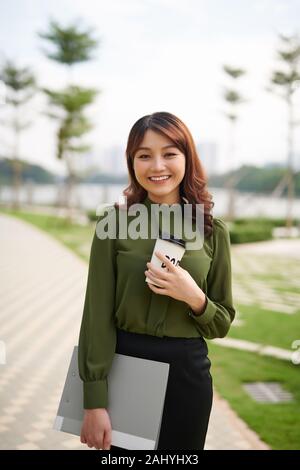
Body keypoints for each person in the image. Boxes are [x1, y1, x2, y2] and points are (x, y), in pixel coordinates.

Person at [78, 111, 236, 451]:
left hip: (187, 374)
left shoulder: (212, 230)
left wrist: (194, 297)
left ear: (187, 158)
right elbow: (96, 316)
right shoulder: (113, 225)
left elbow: (221, 323)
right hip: (126, 365)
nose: (157, 165)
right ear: (132, 162)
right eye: (144, 155)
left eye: (169, 153)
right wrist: (93, 399)